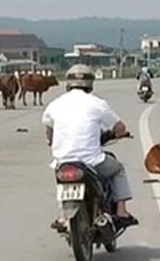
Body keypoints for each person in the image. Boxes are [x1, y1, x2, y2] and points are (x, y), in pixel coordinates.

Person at [42, 64, 139, 231]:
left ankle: (63, 216)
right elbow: (120, 127)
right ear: (90, 84)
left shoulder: (54, 105)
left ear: (68, 83)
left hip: (63, 162)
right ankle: (122, 212)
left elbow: (49, 132)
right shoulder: (97, 103)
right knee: (118, 169)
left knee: (61, 180)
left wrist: (52, 141)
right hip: (92, 162)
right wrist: (118, 133)